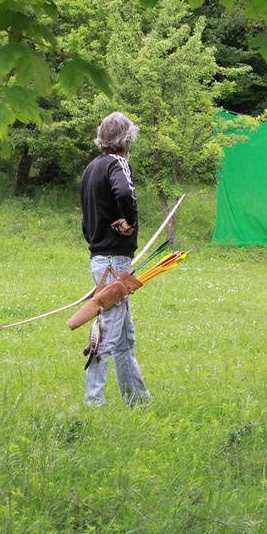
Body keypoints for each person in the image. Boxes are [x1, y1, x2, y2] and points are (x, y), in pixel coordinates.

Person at [80, 112, 151, 407]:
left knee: (124, 338)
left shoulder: (91, 167)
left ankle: (137, 400)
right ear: (127, 139)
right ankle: (92, 402)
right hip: (113, 262)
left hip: (103, 258)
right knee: (107, 338)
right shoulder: (117, 163)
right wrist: (128, 223)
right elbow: (123, 191)